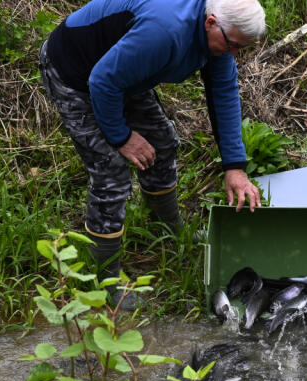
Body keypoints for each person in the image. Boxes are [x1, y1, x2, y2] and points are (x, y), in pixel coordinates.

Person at [38, 0, 266, 310]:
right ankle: (107, 280)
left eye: (241, 48)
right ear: (211, 22)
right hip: (76, 72)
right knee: (111, 169)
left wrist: (235, 166)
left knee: (161, 142)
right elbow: (102, 81)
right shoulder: (166, 31)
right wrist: (122, 137)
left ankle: (168, 227)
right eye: (233, 45)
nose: (234, 54)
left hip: (121, 72)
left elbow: (223, 93)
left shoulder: (218, 37)